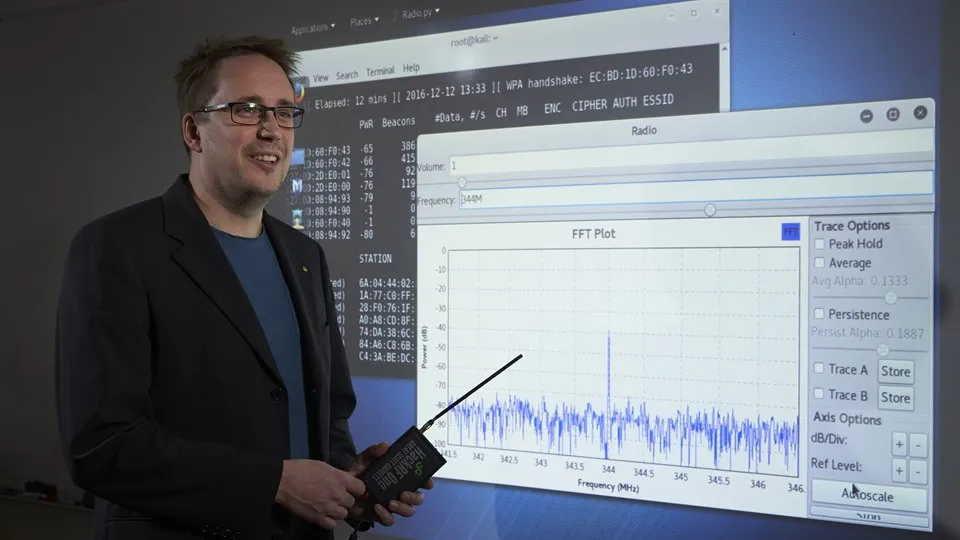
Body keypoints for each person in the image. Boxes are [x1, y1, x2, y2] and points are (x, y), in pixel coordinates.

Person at [54, 35, 432, 540]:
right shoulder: (117, 247)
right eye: (246, 109)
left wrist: (347, 480)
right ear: (194, 130)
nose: (271, 129)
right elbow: (101, 447)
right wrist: (272, 482)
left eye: (282, 112)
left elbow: (328, 411)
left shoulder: (304, 257)